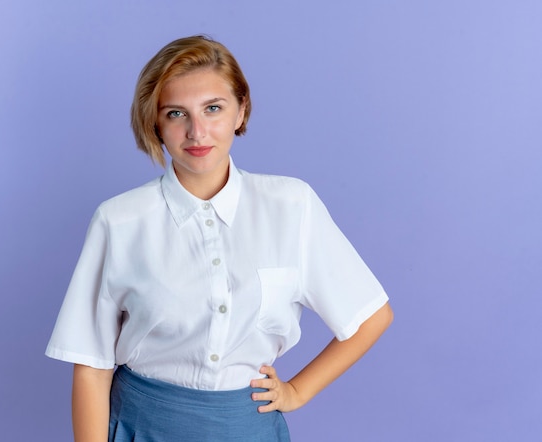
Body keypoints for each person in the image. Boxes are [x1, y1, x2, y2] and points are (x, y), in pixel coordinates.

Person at [46, 35, 393, 442]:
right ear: (155, 123)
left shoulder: (292, 205)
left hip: (248, 428)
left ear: (240, 110)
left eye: (213, 108)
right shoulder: (119, 220)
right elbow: (91, 364)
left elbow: (372, 316)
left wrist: (297, 391)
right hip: (140, 426)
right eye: (176, 113)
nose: (197, 132)